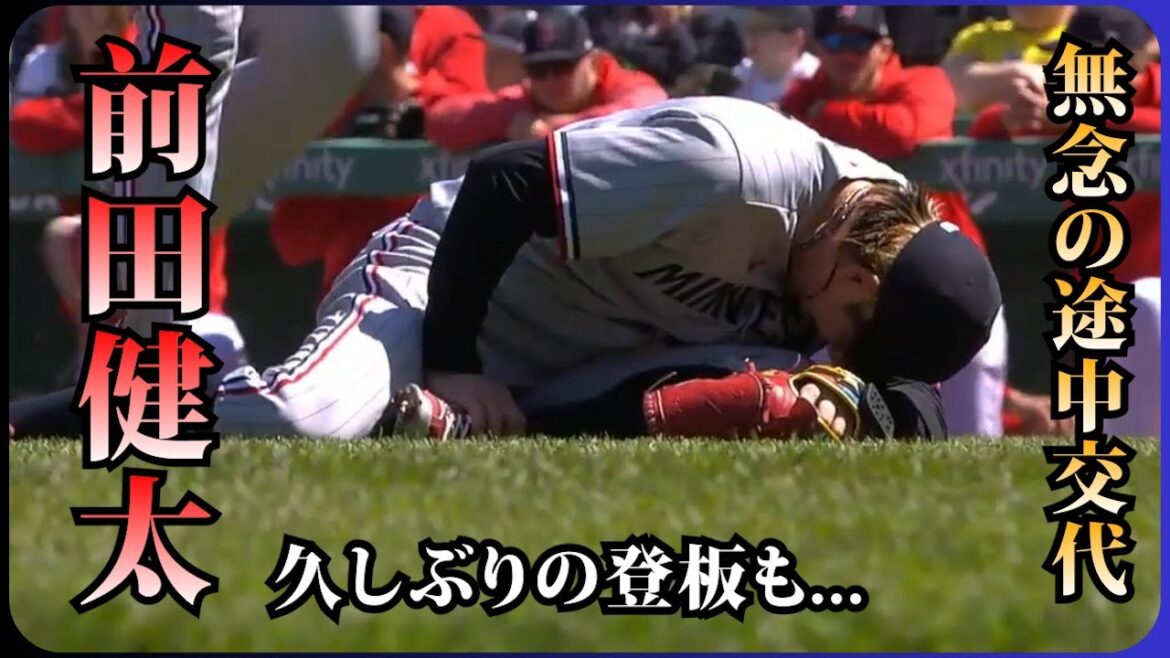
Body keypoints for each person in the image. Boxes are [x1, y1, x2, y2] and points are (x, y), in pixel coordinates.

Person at [12, 97, 1001, 441]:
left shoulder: (891, 246)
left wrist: (869, 407)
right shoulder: (739, 167)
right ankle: (65, 410)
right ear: (862, 282)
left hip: (598, 341)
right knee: (296, 423)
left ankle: (437, 434)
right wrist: (449, 363)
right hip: (454, 282)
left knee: (787, 398)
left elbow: (897, 403)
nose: (836, 341)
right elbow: (501, 180)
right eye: (850, 326)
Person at [780, 5, 1006, 438]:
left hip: (943, 285)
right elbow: (782, 128)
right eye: (834, 42)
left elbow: (906, 128)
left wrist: (828, 115)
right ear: (817, 49)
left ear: (884, 48)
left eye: (859, 42)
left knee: (975, 421)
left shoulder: (922, 80)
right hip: (854, 281)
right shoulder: (804, 93)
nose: (846, 54)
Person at [425, 7, 667, 152]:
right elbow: (441, 121)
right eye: (539, 70)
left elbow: (649, 108)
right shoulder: (527, 102)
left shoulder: (623, 84)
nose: (550, 80)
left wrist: (554, 130)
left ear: (592, 61)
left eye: (562, 67)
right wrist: (507, 119)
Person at [732, 6, 819, 105]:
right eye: (748, 29)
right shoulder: (740, 77)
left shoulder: (814, 78)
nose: (750, 38)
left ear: (794, 39)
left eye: (761, 30)